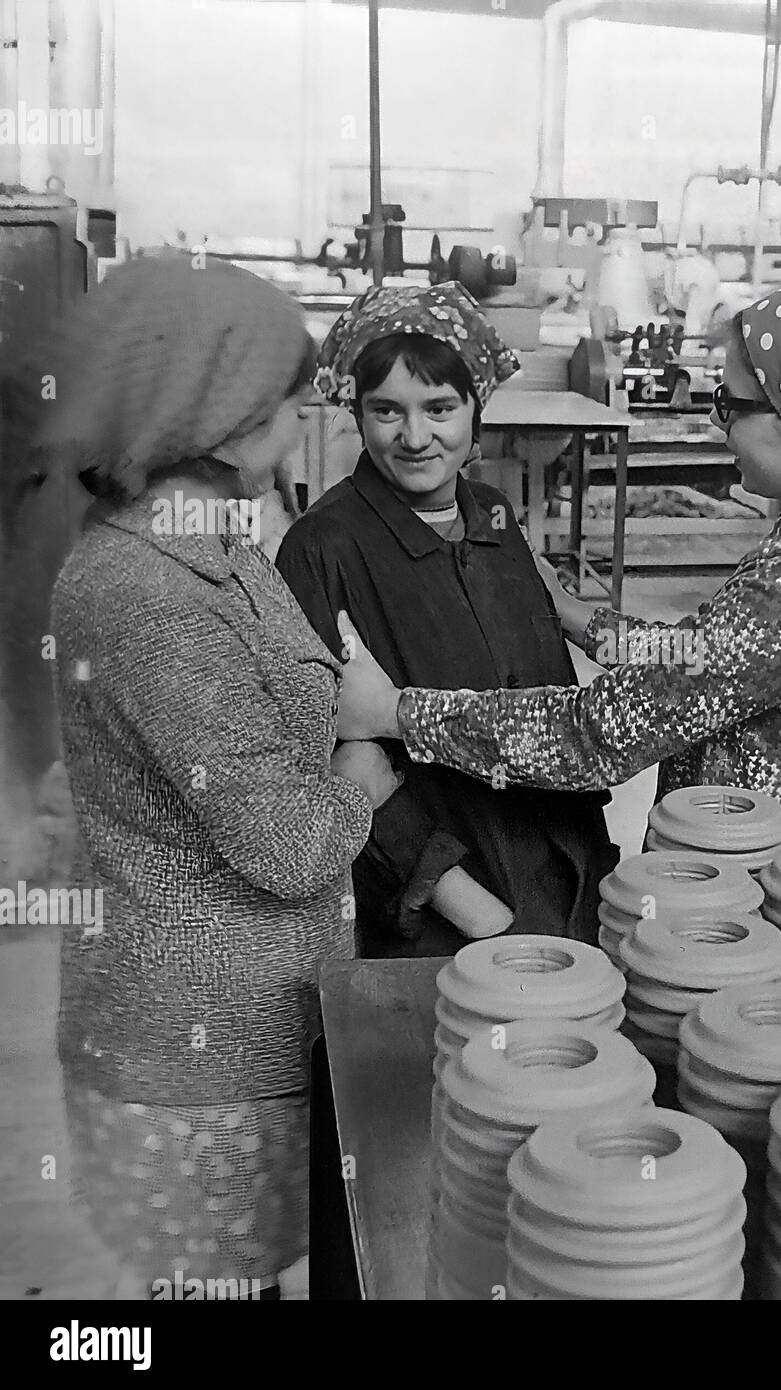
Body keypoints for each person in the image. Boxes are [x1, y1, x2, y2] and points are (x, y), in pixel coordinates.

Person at [333, 265, 781, 854]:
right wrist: (577, 616)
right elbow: (710, 662)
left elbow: (597, 733)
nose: (719, 425)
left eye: (733, 405)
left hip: (751, 912)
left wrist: (396, 712)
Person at [43, 258, 396, 1299]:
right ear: (229, 414)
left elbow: (267, 702)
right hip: (191, 1058)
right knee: (209, 1287)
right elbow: (285, 843)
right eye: (295, 406)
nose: (302, 430)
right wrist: (362, 775)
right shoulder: (144, 592)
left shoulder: (218, 543)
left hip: (254, 1026)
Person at [275, 284, 617, 957]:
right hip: (438, 911)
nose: (414, 437)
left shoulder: (493, 516)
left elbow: (543, 687)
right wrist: (465, 903)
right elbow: (332, 758)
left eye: (439, 408)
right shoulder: (322, 548)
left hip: (559, 869)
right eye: (385, 411)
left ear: (475, 410)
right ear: (355, 410)